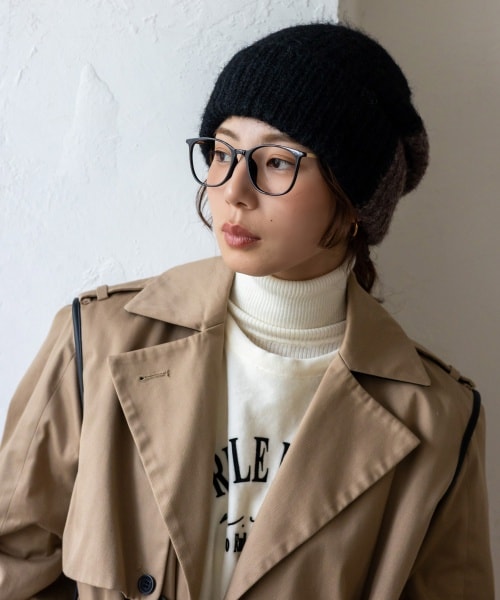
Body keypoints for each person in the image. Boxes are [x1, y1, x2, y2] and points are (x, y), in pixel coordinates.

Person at [0, 22, 494, 600]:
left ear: (353, 199)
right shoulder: (97, 342)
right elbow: (14, 562)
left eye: (277, 161)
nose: (234, 189)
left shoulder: (439, 419)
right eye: (222, 151)